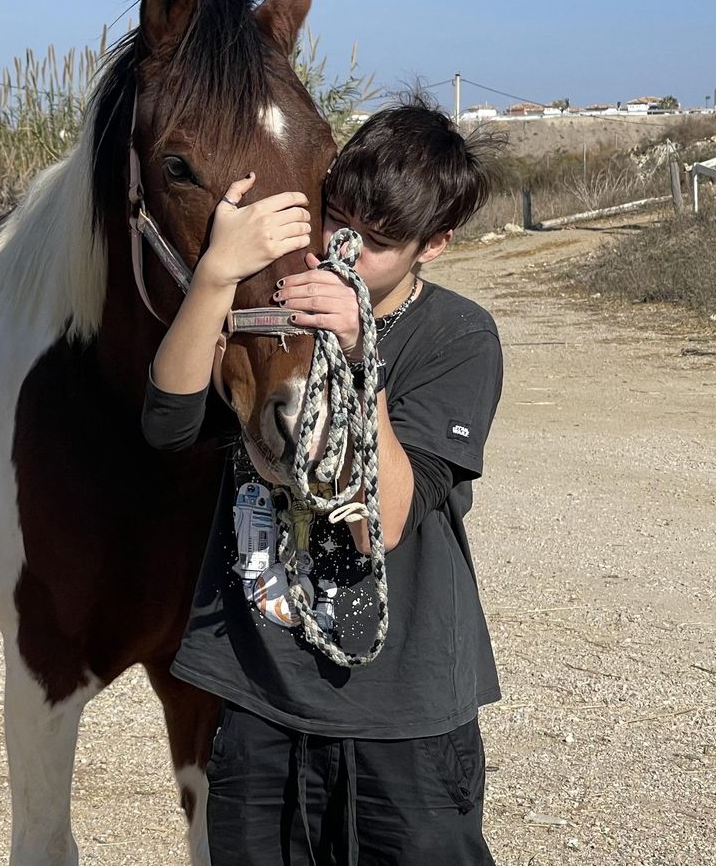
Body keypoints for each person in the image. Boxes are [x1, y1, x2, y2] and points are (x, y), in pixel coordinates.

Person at [142, 98, 504, 865]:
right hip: (258, 696)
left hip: (403, 712)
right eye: (335, 218)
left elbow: (385, 520)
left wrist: (360, 351)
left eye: (378, 242)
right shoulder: (272, 303)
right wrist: (216, 277)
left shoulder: (458, 336)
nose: (344, 249)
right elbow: (168, 424)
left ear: (434, 245)